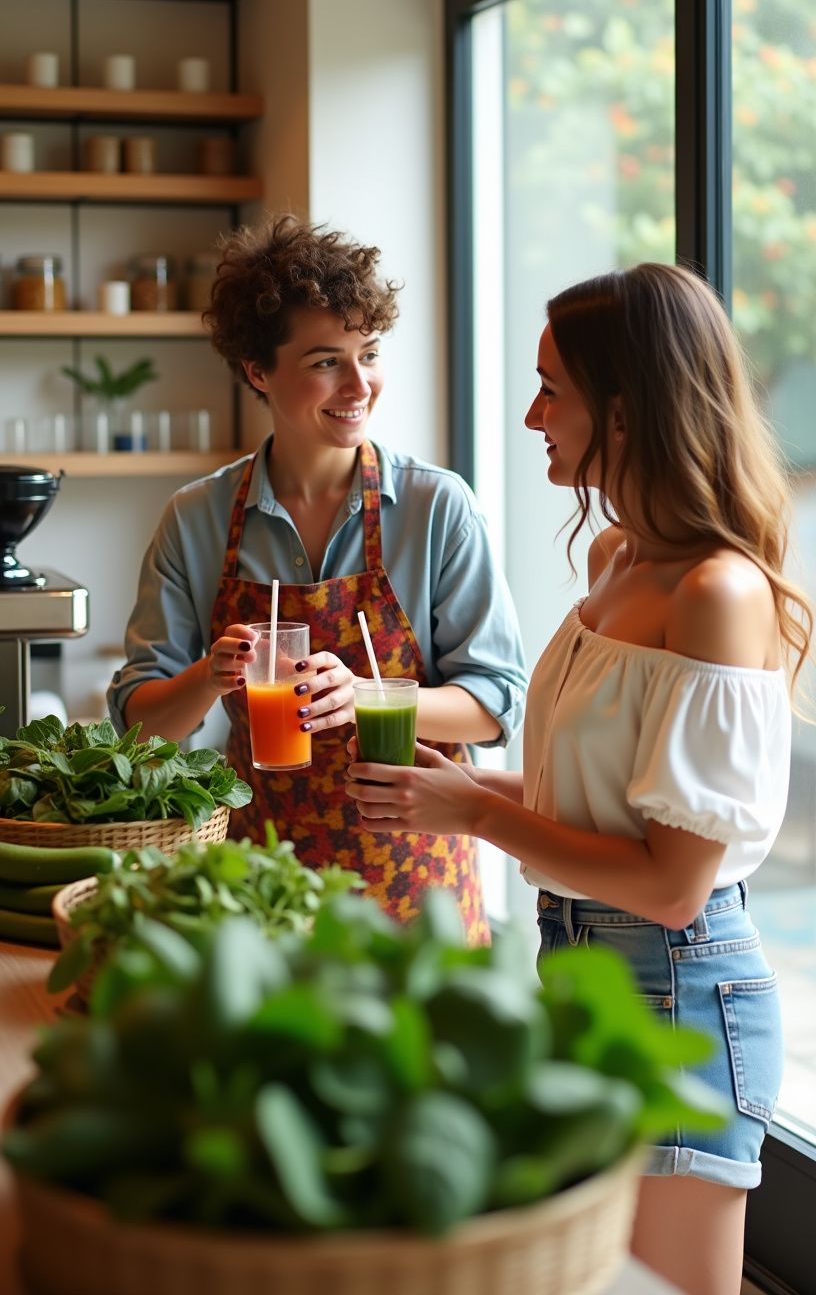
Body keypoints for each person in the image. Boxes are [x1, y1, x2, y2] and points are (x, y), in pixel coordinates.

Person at [346, 261, 812, 1295]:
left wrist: (476, 810)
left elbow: (672, 882)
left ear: (627, 405)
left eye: (552, 388)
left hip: (680, 992)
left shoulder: (716, 593)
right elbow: (606, 804)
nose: (529, 415)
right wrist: (468, 796)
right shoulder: (615, 557)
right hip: (579, 969)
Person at [107, 214, 526, 945]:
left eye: (369, 353)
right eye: (327, 361)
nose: (359, 384)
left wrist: (366, 695)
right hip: (266, 897)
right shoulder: (198, 519)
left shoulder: (435, 507)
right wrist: (210, 675)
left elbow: (494, 706)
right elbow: (140, 727)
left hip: (419, 898)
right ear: (258, 371)